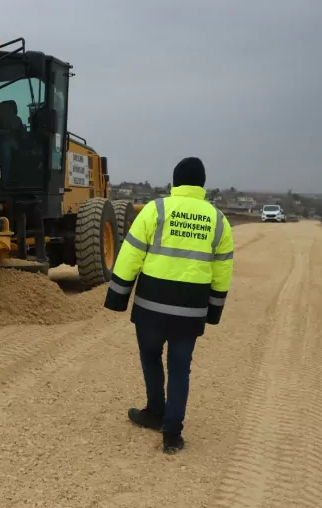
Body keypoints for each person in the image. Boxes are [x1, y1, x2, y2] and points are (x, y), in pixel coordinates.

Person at [104, 157, 234, 454]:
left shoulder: (156, 210)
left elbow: (130, 254)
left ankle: (154, 411)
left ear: (175, 182)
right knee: (179, 368)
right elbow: (222, 269)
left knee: (150, 357)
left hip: (150, 306)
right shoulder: (218, 220)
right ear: (202, 185)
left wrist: (118, 295)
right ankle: (172, 434)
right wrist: (214, 310)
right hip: (190, 311)